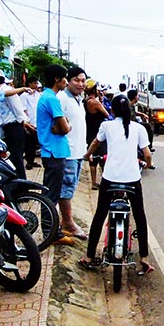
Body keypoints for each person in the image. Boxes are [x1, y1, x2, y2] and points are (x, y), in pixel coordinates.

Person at [79, 95, 154, 275]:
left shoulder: (107, 126)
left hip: (110, 178)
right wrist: (148, 164)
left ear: (112, 110)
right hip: (132, 179)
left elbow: (96, 143)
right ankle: (144, 257)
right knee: (139, 215)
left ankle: (89, 256)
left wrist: (86, 155)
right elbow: (147, 154)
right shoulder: (139, 128)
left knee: (100, 215)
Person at [37, 64, 74, 245]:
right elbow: (66, 127)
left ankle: (53, 230)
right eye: (65, 78)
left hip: (53, 151)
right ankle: (51, 233)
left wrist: (63, 125)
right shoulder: (51, 99)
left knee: (53, 192)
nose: (66, 81)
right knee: (51, 194)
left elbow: (63, 125)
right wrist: (65, 126)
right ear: (56, 79)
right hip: (53, 151)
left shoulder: (48, 97)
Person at [57, 67, 88, 240]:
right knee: (66, 189)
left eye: (83, 80)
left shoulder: (78, 98)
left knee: (71, 188)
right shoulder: (62, 98)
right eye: (77, 80)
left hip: (78, 151)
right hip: (67, 152)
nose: (81, 84)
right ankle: (68, 222)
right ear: (67, 80)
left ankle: (65, 221)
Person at [0, 69, 30, 179]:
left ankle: (22, 187)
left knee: (16, 158)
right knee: (9, 158)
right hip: (7, 128)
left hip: (14, 127)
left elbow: (18, 110)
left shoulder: (7, 91)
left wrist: (23, 122)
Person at [84, 79, 110, 189]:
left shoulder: (85, 101)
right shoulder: (94, 102)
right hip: (98, 131)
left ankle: (94, 182)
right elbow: (106, 114)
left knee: (93, 159)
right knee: (103, 157)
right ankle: (105, 181)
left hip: (89, 131)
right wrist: (100, 100)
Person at [21, 77, 42, 170]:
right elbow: (24, 109)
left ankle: (32, 160)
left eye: (36, 83)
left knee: (35, 144)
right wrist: (27, 122)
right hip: (29, 123)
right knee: (29, 143)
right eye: (34, 83)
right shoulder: (24, 96)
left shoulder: (38, 95)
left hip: (37, 122)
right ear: (29, 84)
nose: (35, 85)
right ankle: (29, 162)